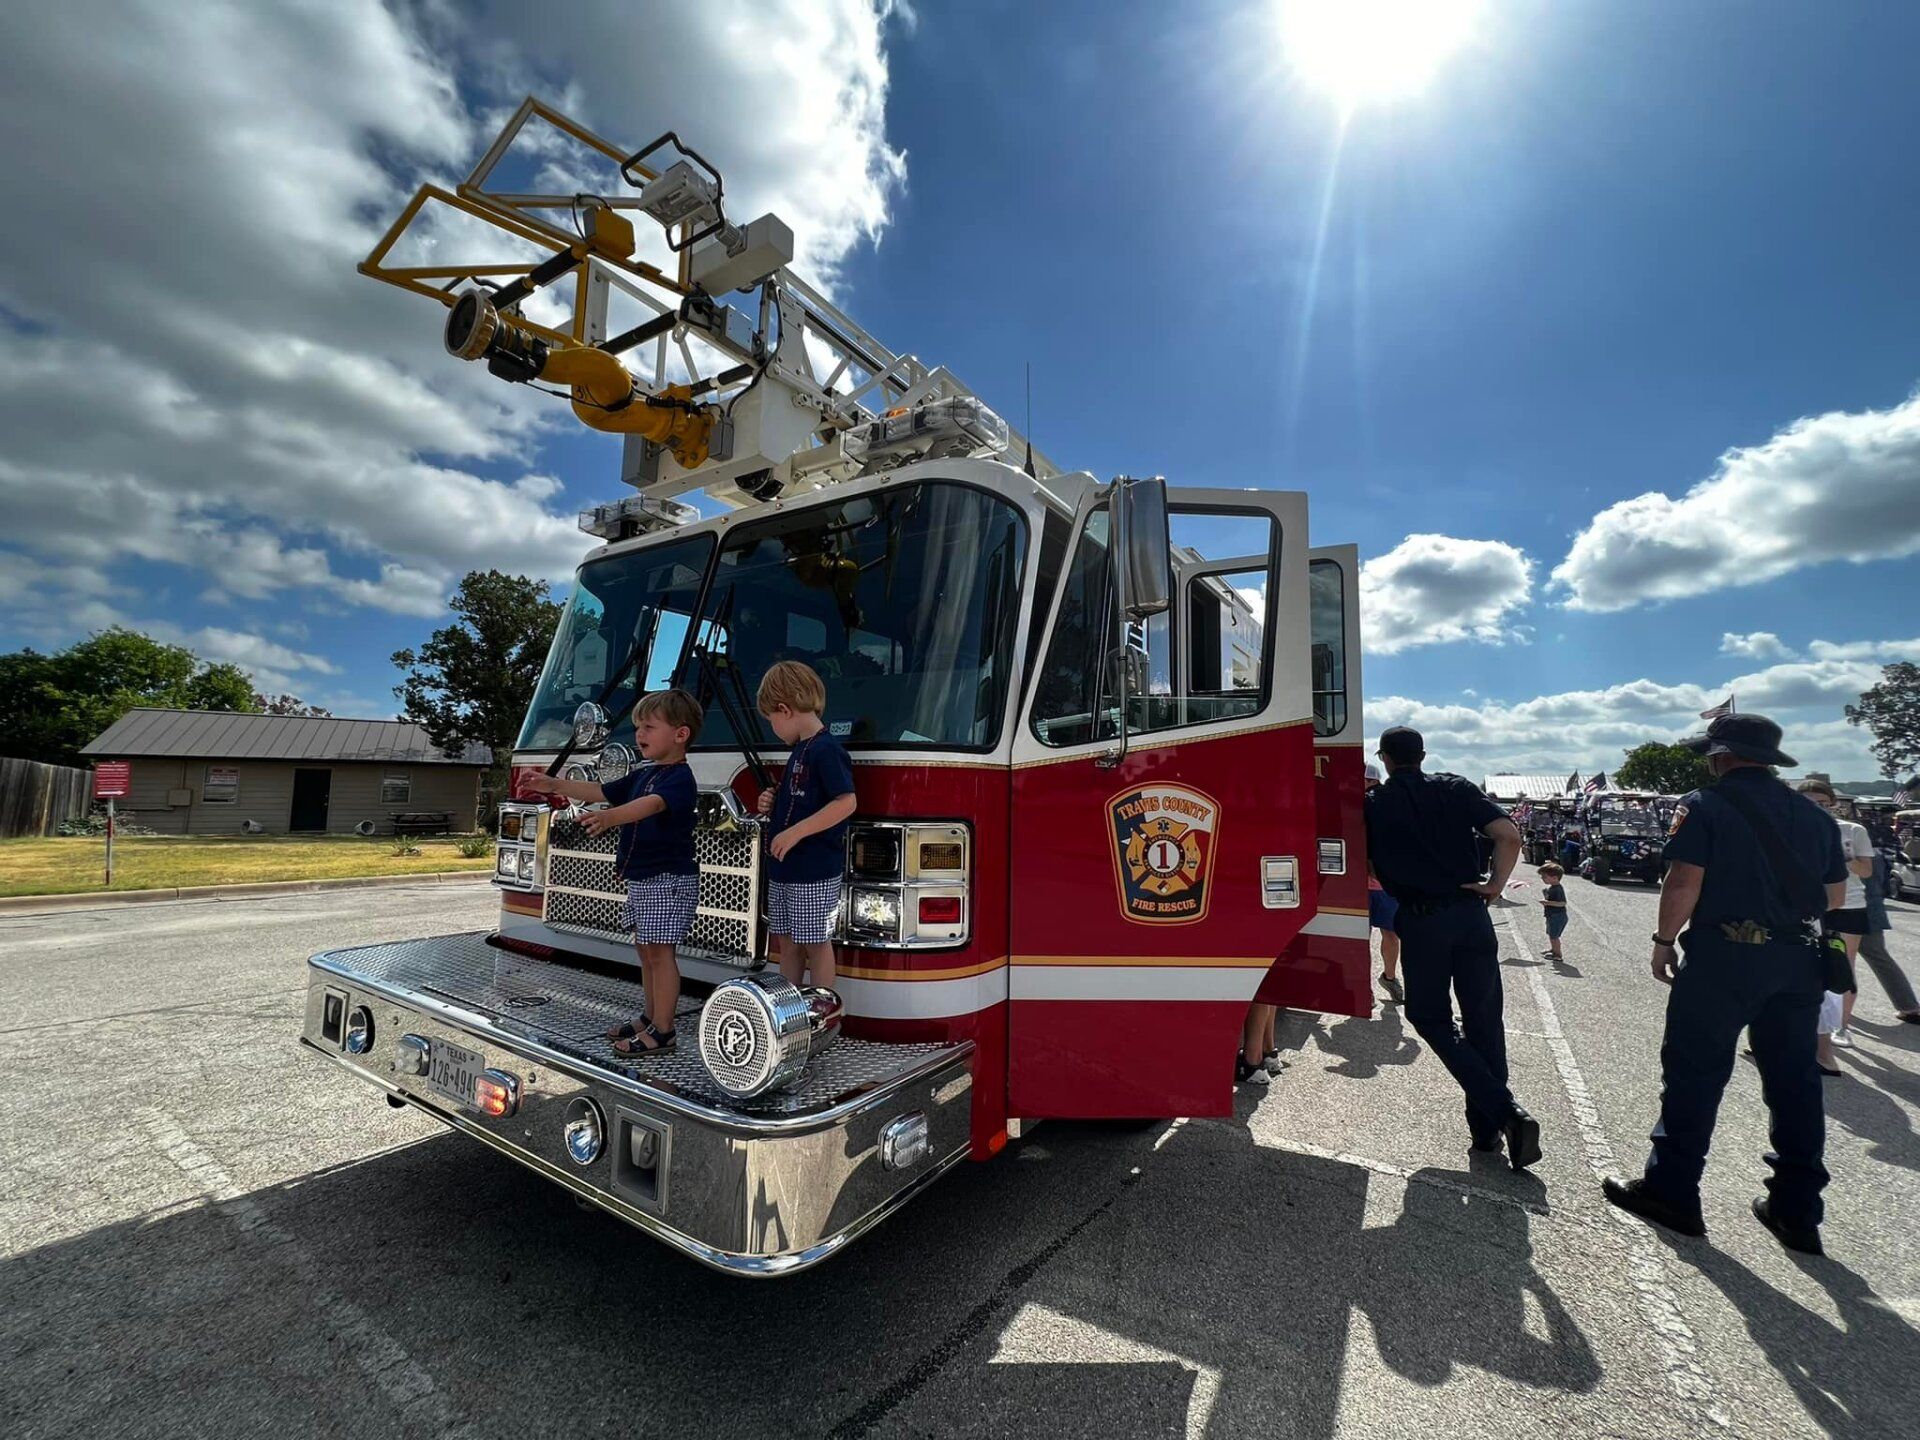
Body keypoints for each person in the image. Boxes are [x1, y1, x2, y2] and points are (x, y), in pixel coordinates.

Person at [1602, 713, 1845, 1256]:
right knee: (1794, 1082)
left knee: (1695, 1071)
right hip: (1798, 961)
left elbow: (1685, 879)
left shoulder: (1705, 804)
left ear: (1719, 755)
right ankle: (1797, 1208)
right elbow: (1833, 896)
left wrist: (1664, 940)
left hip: (1725, 957)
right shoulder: (1815, 815)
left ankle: (1673, 1190)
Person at [1364, 726, 1540, 1169]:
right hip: (1471, 911)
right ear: (1423, 755)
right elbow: (1509, 835)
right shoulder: (1456, 787)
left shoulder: (1375, 804)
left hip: (1422, 919)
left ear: (1385, 758)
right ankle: (1486, 1135)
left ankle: (1504, 1111)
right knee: (1484, 1020)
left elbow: (1363, 860)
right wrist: (1494, 886)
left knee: (1429, 1017)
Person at [523, 688, 703, 1056]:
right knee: (646, 951)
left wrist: (609, 818)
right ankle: (650, 1018)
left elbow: (648, 807)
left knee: (661, 953)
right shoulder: (644, 773)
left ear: (680, 735)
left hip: (666, 881)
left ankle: (664, 1031)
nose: (640, 735)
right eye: (638, 727)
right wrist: (553, 784)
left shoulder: (679, 779)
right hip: (644, 880)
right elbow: (601, 789)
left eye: (649, 727)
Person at [755, 661, 858, 993]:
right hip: (787, 870)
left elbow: (846, 802)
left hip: (813, 871)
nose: (773, 728)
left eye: (771, 719)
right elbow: (801, 797)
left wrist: (795, 832)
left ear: (784, 710)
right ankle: (790, 1009)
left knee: (816, 943)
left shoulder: (827, 750)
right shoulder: (801, 750)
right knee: (787, 943)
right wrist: (773, 800)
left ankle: (824, 1010)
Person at [1797, 779, 1873, 1049]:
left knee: (1841, 965)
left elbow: (1867, 871)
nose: (1816, 809)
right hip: (1807, 905)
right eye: (1808, 803)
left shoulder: (1853, 830)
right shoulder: (1793, 829)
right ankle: (1809, 1027)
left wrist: (1845, 859)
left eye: (1822, 803)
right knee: (1802, 967)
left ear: (1832, 804)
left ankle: (1841, 1026)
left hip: (1848, 905)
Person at [1859, 846, 1920, 1024]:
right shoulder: (1874, 852)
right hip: (1872, 909)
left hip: (1849, 911)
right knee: (1879, 957)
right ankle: (1908, 1005)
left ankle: (1834, 1013)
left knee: (1836, 959)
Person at [1364, 763, 1403, 1002]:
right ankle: (1363, 987)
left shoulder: (1387, 806)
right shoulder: (1353, 806)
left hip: (1384, 885)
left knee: (1391, 935)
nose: (1368, 788)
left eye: (1371, 783)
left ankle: (1389, 978)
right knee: (1360, 939)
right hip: (1359, 886)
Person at [1538, 862, 1569, 962]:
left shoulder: (1558, 889)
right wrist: (1546, 894)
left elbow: (1562, 903)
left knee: (1554, 937)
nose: (1542, 878)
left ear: (1555, 878)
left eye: (1545, 877)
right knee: (1551, 934)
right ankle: (1553, 949)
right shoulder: (1552, 888)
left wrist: (1547, 902)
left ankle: (1557, 954)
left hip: (1557, 916)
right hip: (1552, 915)